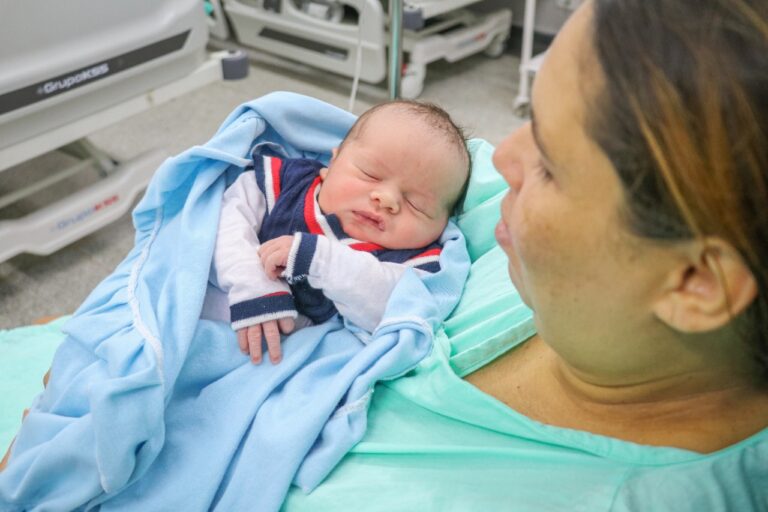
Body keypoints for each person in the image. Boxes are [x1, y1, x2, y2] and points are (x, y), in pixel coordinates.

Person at [3, 0, 768, 508]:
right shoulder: (533, 235)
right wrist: (111, 320)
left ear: (696, 282)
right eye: (528, 116)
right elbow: (408, 155)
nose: (500, 159)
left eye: (553, 163)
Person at [206, 100, 470, 364]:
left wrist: (321, 260)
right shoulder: (288, 184)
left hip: (293, 360)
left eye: (417, 205)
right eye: (370, 174)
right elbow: (226, 218)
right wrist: (252, 282)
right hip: (223, 304)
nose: (386, 199)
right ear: (332, 164)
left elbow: (396, 308)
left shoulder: (412, 260)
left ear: (443, 223)